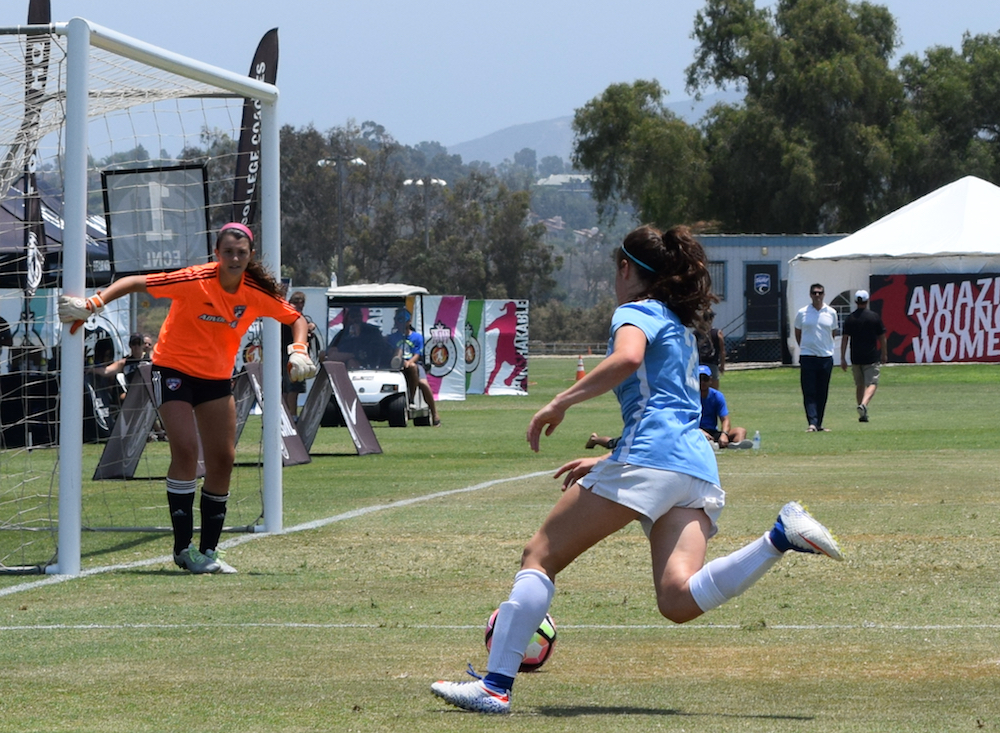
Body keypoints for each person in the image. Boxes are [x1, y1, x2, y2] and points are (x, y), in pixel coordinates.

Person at [430, 225, 843, 715]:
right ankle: (780, 536)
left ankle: (495, 687)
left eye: (615, 270)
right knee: (677, 599)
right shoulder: (680, 325)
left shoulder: (636, 312)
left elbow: (628, 359)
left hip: (653, 457)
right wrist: (610, 457)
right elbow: (669, 407)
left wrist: (559, 403)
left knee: (539, 556)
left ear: (626, 269)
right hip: (694, 466)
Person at [59, 222, 317, 574]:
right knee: (185, 449)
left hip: (215, 380)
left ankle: (208, 551)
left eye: (241, 253)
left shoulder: (254, 292)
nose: (235, 258)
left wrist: (298, 350)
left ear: (250, 256)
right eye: (228, 252)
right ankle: (183, 550)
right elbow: (136, 282)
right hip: (172, 372)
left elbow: (297, 318)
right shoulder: (194, 279)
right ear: (217, 254)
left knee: (223, 460)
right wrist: (93, 303)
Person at [794, 283, 839, 432]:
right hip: (808, 356)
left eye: (820, 293)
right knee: (809, 391)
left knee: (822, 391)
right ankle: (812, 422)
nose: (817, 295)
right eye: (814, 293)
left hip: (825, 356)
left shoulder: (831, 312)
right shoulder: (803, 313)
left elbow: (832, 332)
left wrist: (826, 347)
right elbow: (798, 332)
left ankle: (819, 423)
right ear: (810, 295)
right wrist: (805, 347)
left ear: (824, 294)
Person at [387, 307, 441, 427]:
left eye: (403, 319)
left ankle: (434, 413)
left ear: (409, 321)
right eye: (398, 320)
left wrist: (410, 361)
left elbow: (418, 354)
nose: (400, 322)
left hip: (414, 364)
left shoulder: (417, 337)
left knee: (423, 383)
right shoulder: (392, 337)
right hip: (397, 365)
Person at [840, 289, 887, 423]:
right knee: (872, 383)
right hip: (870, 356)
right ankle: (864, 405)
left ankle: (862, 414)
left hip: (855, 357)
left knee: (859, 384)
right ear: (867, 301)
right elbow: (882, 337)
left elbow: (845, 339)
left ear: (855, 302)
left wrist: (843, 357)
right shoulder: (874, 317)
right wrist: (884, 353)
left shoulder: (850, 318)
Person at [697, 365, 753, 449]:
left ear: (710, 380)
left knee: (740, 431)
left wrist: (724, 434)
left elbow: (725, 419)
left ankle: (735, 445)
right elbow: (685, 420)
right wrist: (700, 431)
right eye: (699, 379)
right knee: (701, 436)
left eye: (705, 379)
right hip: (696, 431)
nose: (702, 382)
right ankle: (710, 444)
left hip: (712, 432)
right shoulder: (689, 397)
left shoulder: (717, 396)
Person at [281, 290, 316, 419]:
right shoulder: (293, 316)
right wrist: (308, 327)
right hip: (293, 354)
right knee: (293, 386)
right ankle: (293, 415)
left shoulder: (284, 315)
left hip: (285, 353)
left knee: (286, 387)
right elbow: (296, 329)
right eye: (298, 302)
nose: (300, 305)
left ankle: (286, 415)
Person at [326, 306, 393, 370]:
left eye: (358, 316)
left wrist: (358, 335)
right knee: (350, 361)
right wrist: (352, 355)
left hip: (369, 365)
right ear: (347, 318)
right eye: (353, 316)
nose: (356, 319)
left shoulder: (372, 331)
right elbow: (331, 353)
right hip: (346, 366)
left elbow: (379, 350)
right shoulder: (342, 334)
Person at [695, 309, 725, 389]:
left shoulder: (696, 333)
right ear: (711, 319)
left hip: (699, 363)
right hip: (712, 363)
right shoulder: (717, 333)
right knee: (714, 390)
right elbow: (722, 351)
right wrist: (722, 365)